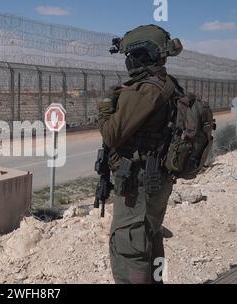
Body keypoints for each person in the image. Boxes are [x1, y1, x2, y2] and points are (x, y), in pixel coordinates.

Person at [97, 24, 185, 284]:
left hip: (139, 186)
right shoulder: (168, 85)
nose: (127, 61)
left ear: (141, 55)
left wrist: (105, 106)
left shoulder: (147, 89)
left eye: (129, 56)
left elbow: (112, 134)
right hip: (154, 181)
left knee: (129, 247)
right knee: (149, 237)